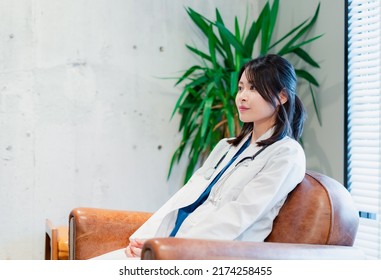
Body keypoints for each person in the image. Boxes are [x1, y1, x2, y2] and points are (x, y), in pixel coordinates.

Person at [94, 53, 306, 259]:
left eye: (254, 88)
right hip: (173, 241)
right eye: (241, 87)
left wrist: (169, 249)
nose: (242, 96)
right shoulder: (227, 146)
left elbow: (240, 215)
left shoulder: (286, 154)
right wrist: (149, 240)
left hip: (208, 253)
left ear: (282, 96)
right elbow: (186, 195)